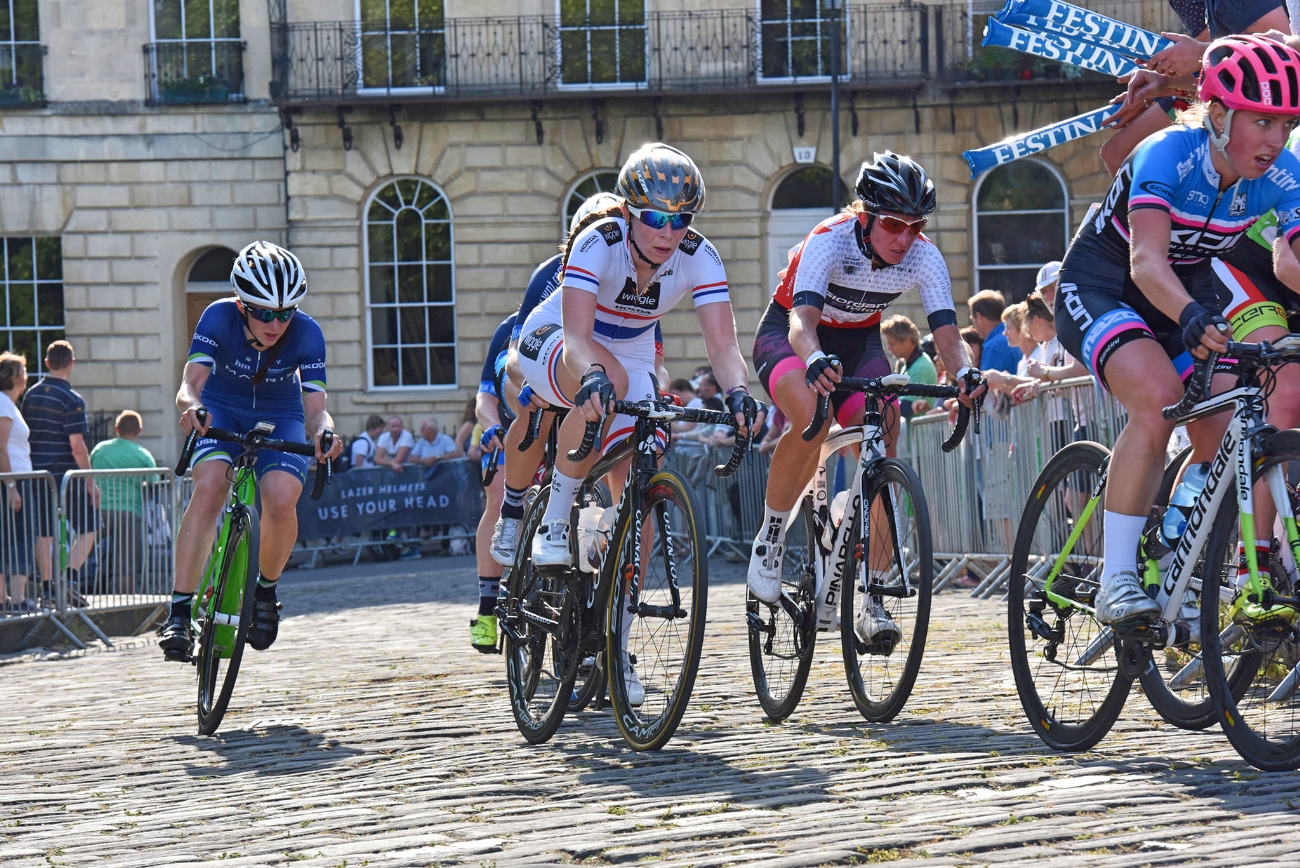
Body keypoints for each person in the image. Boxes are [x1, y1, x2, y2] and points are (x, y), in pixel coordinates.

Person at [1054, 35, 1300, 626]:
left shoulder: (1284, 172)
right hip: (1105, 283)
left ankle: (1176, 557)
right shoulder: (1168, 152)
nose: (1276, 140)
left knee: (1233, 430)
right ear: (1217, 115)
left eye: (1287, 124)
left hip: (1184, 287)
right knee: (1159, 398)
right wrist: (1189, 315)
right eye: (1262, 121)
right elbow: (1145, 261)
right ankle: (1115, 578)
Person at [512, 142, 757, 701]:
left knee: (643, 485)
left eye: (680, 219)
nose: (667, 231)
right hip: (556, 341)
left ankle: (614, 645)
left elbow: (723, 346)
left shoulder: (700, 256)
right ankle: (552, 521)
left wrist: (739, 392)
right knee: (608, 386)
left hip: (635, 354)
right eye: (653, 217)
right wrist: (596, 374)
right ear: (627, 212)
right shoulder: (597, 243)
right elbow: (576, 337)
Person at [747, 150, 983, 647]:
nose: (904, 238)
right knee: (813, 417)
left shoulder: (923, 255)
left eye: (914, 226)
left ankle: (872, 595)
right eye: (894, 224)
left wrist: (963, 373)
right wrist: (813, 359)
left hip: (858, 342)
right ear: (866, 215)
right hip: (791, 337)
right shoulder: (829, 240)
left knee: (885, 432)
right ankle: (770, 537)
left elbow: (945, 334)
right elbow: (800, 323)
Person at [158, 240, 342, 660]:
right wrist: (191, 408)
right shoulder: (217, 316)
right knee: (208, 487)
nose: (274, 323)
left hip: (281, 412)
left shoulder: (308, 332)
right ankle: (180, 610)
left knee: (281, 496)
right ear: (242, 305)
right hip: (220, 407)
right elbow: (191, 383)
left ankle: (265, 591)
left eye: (284, 313)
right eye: (262, 312)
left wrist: (326, 434)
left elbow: (317, 411)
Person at [21, 340, 96, 597]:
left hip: (37, 475)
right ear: (71, 363)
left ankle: (48, 586)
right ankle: (68, 578)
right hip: (67, 477)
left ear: (47, 363)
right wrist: (89, 480)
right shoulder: (72, 399)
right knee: (90, 528)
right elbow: (77, 445)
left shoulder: (31, 395)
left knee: (44, 533)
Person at [89, 410, 157, 595]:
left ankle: (67, 581)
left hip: (98, 509)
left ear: (116, 428)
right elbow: (154, 481)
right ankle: (125, 600)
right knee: (125, 561)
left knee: (84, 547)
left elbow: (88, 472)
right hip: (128, 511)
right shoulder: (142, 454)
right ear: (139, 431)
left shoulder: (99, 449)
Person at [0, 353, 32, 612]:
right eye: (22, 369)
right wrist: (12, 486)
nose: (26, 374)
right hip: (12, 481)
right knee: (17, 538)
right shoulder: (2, 403)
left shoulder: (8, 404)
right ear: (12, 376)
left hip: (16, 479)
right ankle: (15, 599)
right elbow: (1, 447)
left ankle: (8, 599)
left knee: (13, 538)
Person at [881, 314, 937, 418]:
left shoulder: (920, 367)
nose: (889, 349)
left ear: (907, 341)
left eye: (892, 344)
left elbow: (904, 409)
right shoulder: (909, 362)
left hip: (919, 433)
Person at [967, 290, 1021, 375]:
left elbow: (987, 386)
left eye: (972, 320)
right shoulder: (1013, 336)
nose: (974, 326)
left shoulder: (994, 346)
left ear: (979, 317)